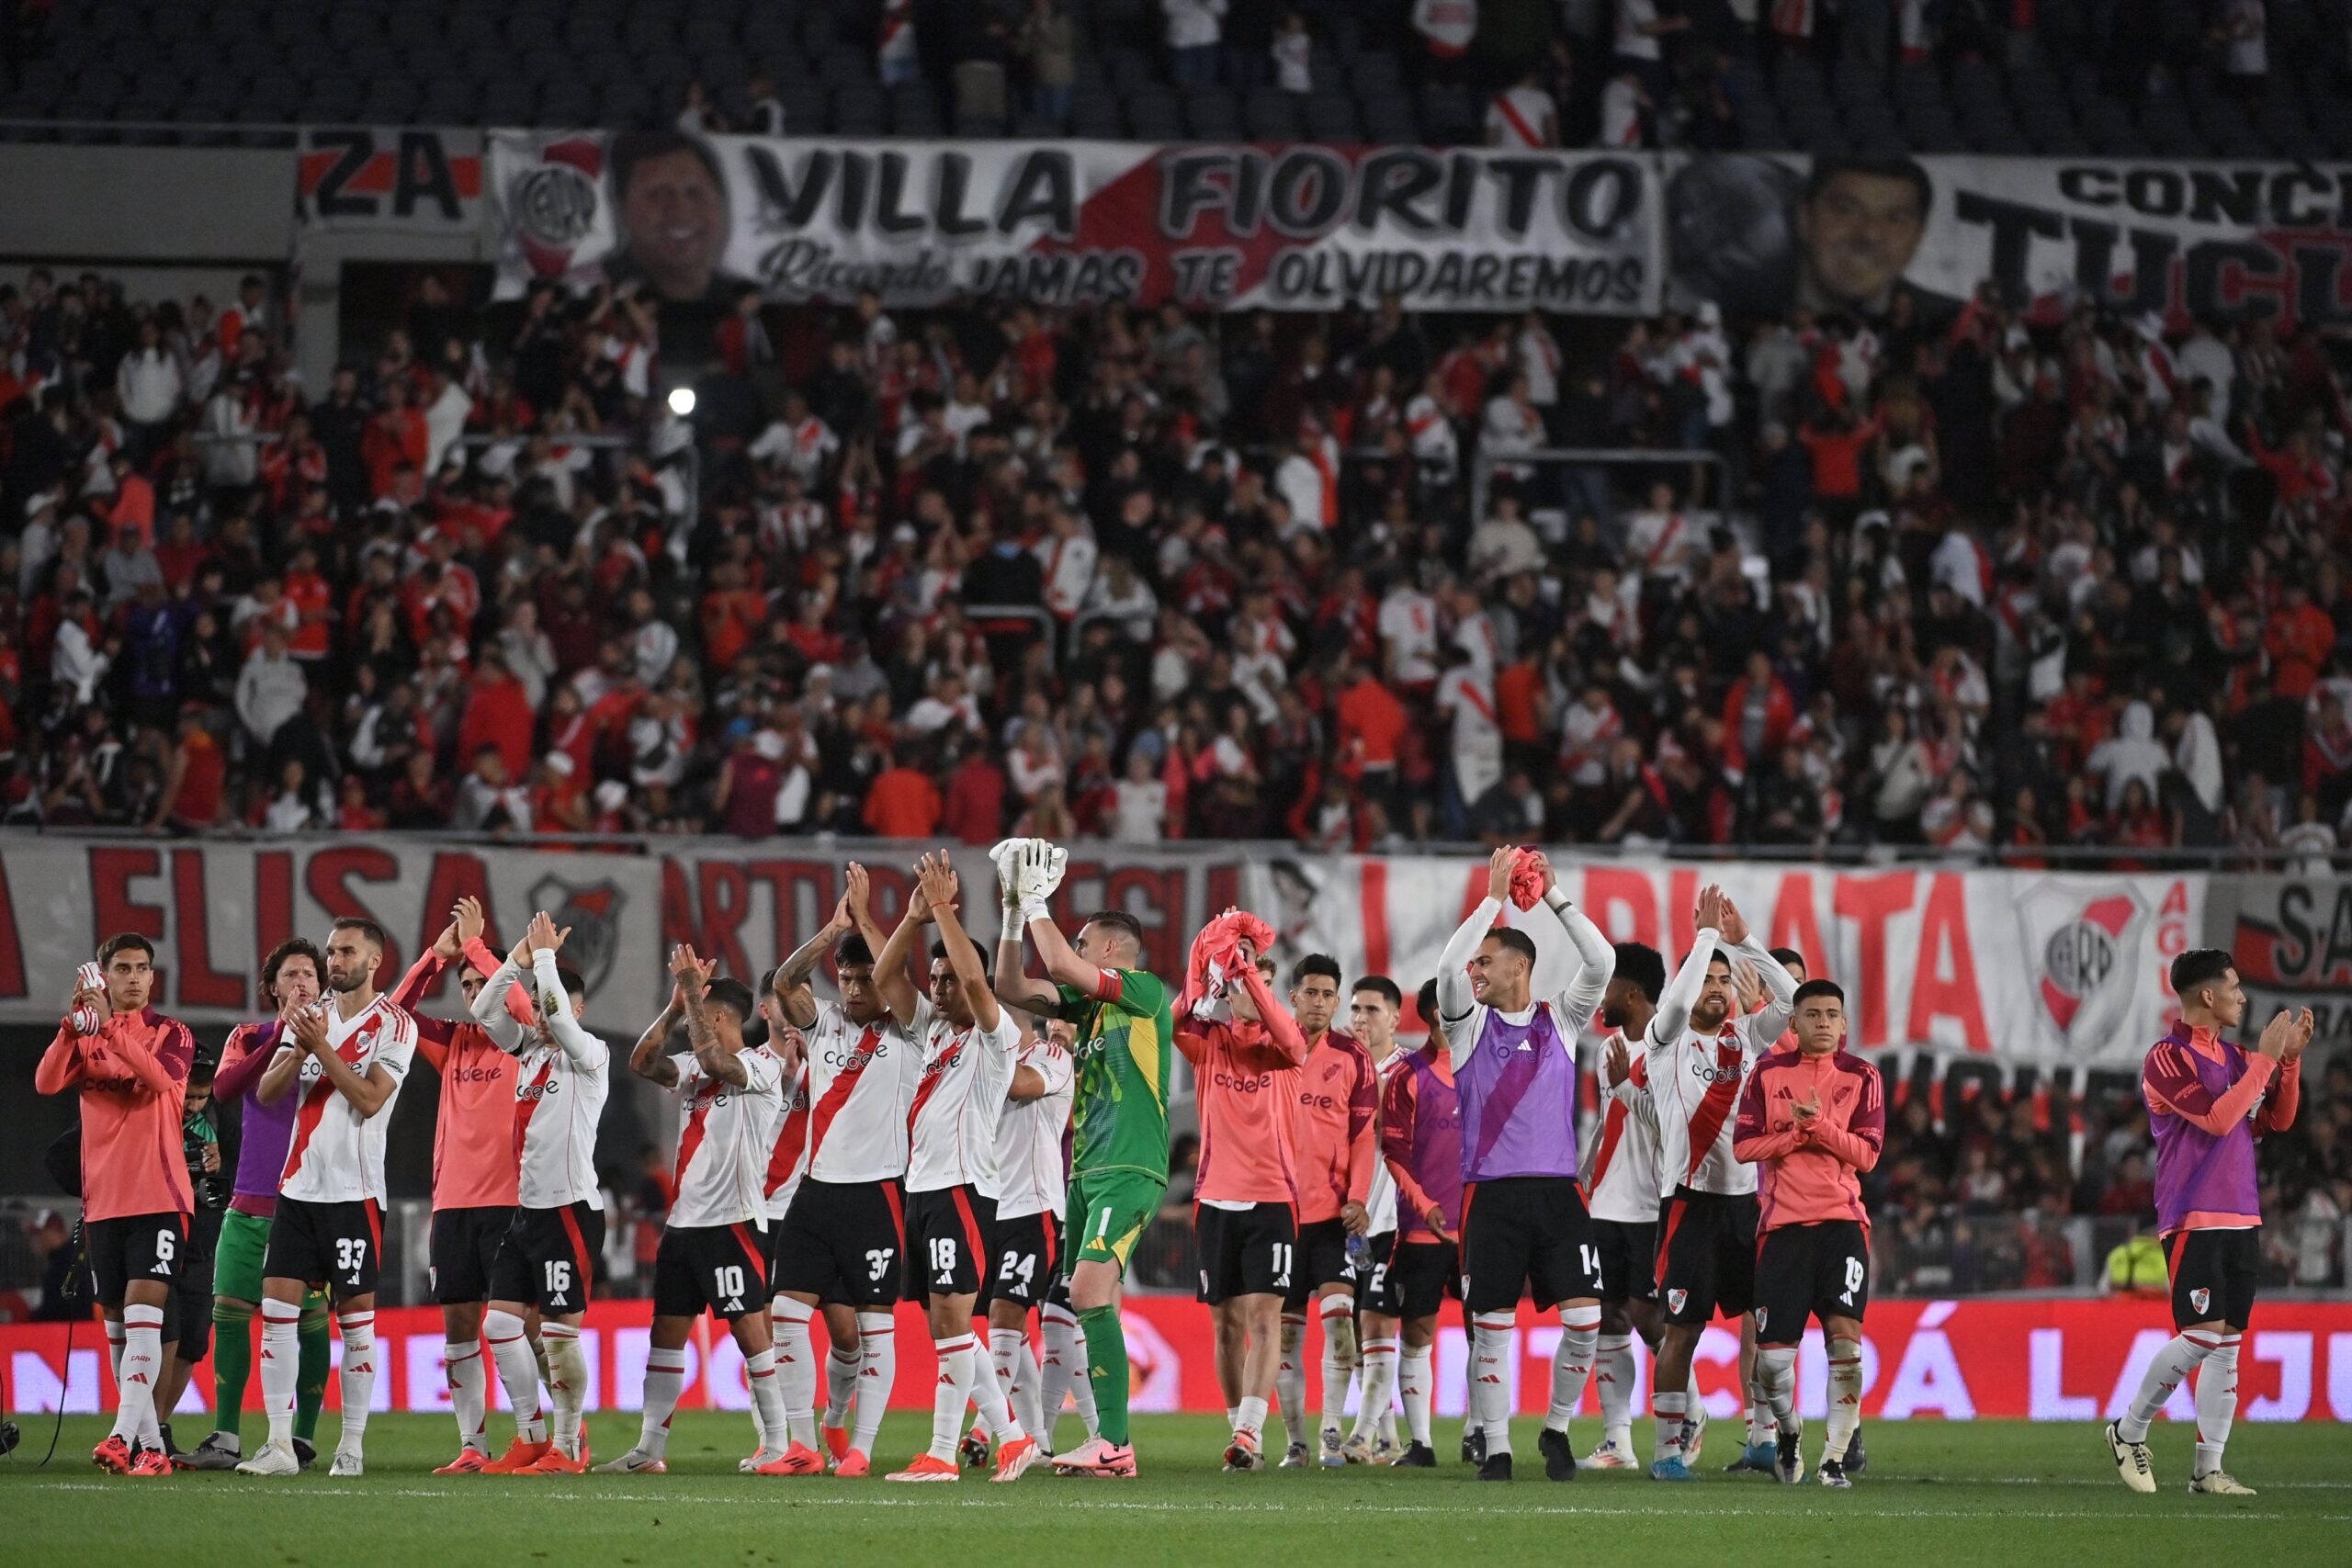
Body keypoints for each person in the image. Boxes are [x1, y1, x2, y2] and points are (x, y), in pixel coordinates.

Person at [1431, 848, 1617, 1482]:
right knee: (1492, 1329)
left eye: (1486, 960)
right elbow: (1444, 968)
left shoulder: (1559, 1019)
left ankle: (1558, 1428)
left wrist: (1558, 896)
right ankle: (1499, 1446)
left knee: (1587, 1319)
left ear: (1520, 965)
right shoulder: (1465, 1028)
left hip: (1560, 1195)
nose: (1474, 970)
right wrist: (1491, 897)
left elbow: (1603, 961)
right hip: (1492, 1196)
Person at [992, 838, 1174, 1478]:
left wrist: (1039, 896)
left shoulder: (1144, 993)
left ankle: (1115, 1441)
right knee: (1080, 1301)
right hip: (1085, 1173)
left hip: (1129, 1167)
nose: (1072, 945)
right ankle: (1099, 1439)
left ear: (1113, 950)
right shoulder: (1090, 1008)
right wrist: (1016, 910)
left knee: (1090, 1288)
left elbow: (1063, 966)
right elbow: (1007, 982)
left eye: (1083, 938)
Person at [2105, 951, 2309, 1498]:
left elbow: (2275, 1120)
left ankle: (2207, 1470)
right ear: (2209, 997)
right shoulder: (2166, 1059)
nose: (2243, 997)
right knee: (2198, 1336)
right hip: (2192, 1214)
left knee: (2228, 1344)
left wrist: (2286, 1063)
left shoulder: (2241, 1059)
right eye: (2236, 987)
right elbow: (2219, 1120)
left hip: (2243, 1214)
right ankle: (2128, 1431)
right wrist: (2266, 1062)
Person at [236, 918, 418, 1477]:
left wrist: (322, 1050)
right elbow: (267, 1092)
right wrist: (297, 1049)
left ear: (374, 962)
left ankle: (353, 1446)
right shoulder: (310, 1017)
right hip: (297, 1189)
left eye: (345, 952)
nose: (333, 961)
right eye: (332, 951)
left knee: (356, 1322)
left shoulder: (395, 1025)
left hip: (354, 1194)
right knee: (276, 1316)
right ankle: (278, 1445)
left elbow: (368, 1099)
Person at [764, 863, 927, 1477]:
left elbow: (897, 975)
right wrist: (834, 931)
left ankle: (860, 1447)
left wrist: (868, 923)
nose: (856, 987)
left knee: (871, 1326)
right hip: (815, 1193)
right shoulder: (824, 1018)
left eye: (866, 977)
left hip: (877, 1194)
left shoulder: (912, 1031)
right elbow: (784, 981)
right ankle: (802, 1445)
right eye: (848, 976)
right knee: (785, 1312)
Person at [602, 948, 789, 1475]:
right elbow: (641, 1062)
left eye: (697, 1016)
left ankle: (778, 1443)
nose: (689, 1025)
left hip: (732, 1220)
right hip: (684, 1226)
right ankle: (649, 1450)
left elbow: (715, 1062)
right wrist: (673, 1006)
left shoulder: (761, 1067)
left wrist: (690, 984)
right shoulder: (689, 1069)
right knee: (666, 1333)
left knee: (750, 1331)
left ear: (720, 1018)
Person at [888, 853, 1038, 1483]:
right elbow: (884, 973)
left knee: (952, 1322)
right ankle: (974, 1446)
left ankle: (975, 1445)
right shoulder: (932, 1032)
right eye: (937, 977)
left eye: (950, 976)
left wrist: (947, 910)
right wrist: (914, 916)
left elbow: (981, 987)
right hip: (922, 1188)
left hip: (962, 1188)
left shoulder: (994, 1037)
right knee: (944, 1327)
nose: (941, 986)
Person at [1639, 886, 1797, 1483]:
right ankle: (1665, 1451)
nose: (1717, 986)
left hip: (1744, 1206)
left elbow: (1794, 997)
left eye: (1723, 980)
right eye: (1706, 977)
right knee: (1681, 1331)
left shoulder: (1746, 1039)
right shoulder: (1666, 1040)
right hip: (1688, 1206)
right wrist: (1704, 939)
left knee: (1759, 1322)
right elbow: (1676, 1005)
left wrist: (1742, 942)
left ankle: (1761, 1437)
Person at [36, 934, 198, 1477]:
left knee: (143, 1317)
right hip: (103, 1203)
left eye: (143, 968)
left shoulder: (172, 1033)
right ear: (104, 976)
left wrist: (108, 1028)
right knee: (118, 1331)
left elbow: (158, 1079)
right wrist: (69, 1029)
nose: (134, 977)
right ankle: (151, 1448)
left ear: (153, 978)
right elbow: (44, 1082)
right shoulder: (87, 1038)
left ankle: (120, 1434)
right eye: (123, 968)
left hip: (160, 1196)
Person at [467, 911, 611, 1474]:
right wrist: (519, 960)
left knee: (556, 1334)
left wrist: (546, 961)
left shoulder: (589, 1056)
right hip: (527, 1213)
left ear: (577, 1009)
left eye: (555, 1005)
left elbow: (555, 1012)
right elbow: (483, 1011)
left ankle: (570, 1444)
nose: (542, 1013)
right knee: (500, 1325)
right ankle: (529, 1435)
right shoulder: (529, 1052)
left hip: (570, 1210)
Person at [384, 897, 525, 1473]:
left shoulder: (531, 1041)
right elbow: (390, 1019)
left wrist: (479, 950)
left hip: (514, 1202)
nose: (474, 992)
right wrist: (433, 961)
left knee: (522, 1327)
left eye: (481, 982)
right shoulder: (456, 1041)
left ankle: (547, 1435)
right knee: (459, 1326)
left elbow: (514, 997)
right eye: (466, 985)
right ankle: (474, 1444)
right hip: (454, 1204)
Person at [186, 940, 332, 1472]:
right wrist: (281, 1039)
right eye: (290, 975)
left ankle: (304, 1436)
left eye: (310, 975)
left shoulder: (340, 1035)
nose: (301, 983)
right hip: (250, 1199)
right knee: (230, 1313)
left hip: (313, 1199)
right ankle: (226, 1434)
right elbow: (223, 1089)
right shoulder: (248, 1037)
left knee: (310, 1319)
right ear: (272, 987)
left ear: (323, 984)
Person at [1733, 978, 1883, 1488]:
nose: (1823, 1022)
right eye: (1812, 1014)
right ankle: (1790, 1431)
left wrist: (1817, 1127)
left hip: (1842, 1228)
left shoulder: (1863, 1076)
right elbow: (1743, 1148)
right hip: (1782, 1230)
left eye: (1832, 1015)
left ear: (1844, 1025)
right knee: (1773, 1365)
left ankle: (1834, 1458)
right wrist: (1795, 1134)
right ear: (1792, 1024)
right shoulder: (1766, 1073)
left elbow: (1866, 1156)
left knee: (1846, 1342)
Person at [1171, 911, 1307, 1472]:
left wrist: (1244, 969)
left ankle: (1251, 1431)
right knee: (1225, 1326)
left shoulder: (1287, 1047)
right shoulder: (1210, 1046)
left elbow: (1284, 1030)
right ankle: (1238, 1435)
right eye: (1245, 982)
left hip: (1273, 1198)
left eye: (1265, 984)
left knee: (1263, 1319)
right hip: (1215, 1200)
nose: (1256, 992)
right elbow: (1178, 1013)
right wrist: (1208, 952)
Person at [1581, 942, 1703, 1471]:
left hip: (1650, 1207)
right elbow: (1610, 1122)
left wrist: (1622, 1089)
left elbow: (1670, 1126)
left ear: (1631, 993)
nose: (1600, 998)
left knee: (1649, 1319)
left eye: (1608, 988)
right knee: (1605, 1317)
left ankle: (1691, 1410)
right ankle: (1618, 1444)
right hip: (1605, 1203)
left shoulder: (1671, 1049)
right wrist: (1584, 1172)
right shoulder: (1609, 1046)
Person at [1271, 953, 1376, 1469]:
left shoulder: (1353, 1056)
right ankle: (1296, 1441)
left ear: (1337, 1001)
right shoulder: (1270, 1045)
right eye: (1310, 992)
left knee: (1340, 1323)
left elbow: (1362, 1135)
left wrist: (1358, 1196)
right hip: (1276, 1214)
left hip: (1331, 1216)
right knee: (1286, 1333)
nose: (1319, 1002)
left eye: (1327, 994)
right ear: (1293, 997)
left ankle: (1332, 1430)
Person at [967, 1008, 1078, 1461]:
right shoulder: (973, 1055)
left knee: (1005, 1317)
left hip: (1032, 1208)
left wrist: (987, 1054)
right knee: (1007, 1330)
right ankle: (1038, 1441)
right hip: (985, 1205)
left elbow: (1020, 1085)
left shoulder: (1050, 1056)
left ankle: (988, 1430)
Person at [1376, 978, 1465, 1468]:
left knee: (1486, 1332)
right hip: (1422, 1228)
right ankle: (1422, 1443)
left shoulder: (1487, 1068)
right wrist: (1424, 1204)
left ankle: (1481, 1436)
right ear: (1435, 1013)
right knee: (1417, 1333)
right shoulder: (1410, 1075)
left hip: (1480, 1226)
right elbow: (1394, 1151)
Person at [1340, 974, 1408, 1464]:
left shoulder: (1407, 1070)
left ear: (1396, 1018)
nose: (1362, 1019)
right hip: (1349, 1217)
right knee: (1358, 1331)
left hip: (1394, 1217)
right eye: (1357, 1010)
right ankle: (1387, 1437)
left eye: (1373, 1010)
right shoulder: (1340, 1064)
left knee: (1377, 1323)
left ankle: (1361, 1434)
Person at [1793, 155, 1933, 319]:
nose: (1870, 235)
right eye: (1846, 211)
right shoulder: (1758, 297)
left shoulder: (1950, 321)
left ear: (1919, 236)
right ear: (1805, 219)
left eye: (1895, 220)